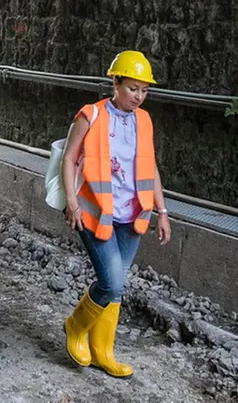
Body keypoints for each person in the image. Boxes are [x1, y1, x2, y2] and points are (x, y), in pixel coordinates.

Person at [62, 50, 171, 379]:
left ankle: (103, 352)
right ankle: (75, 327)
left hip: (133, 217)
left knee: (117, 286)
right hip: (95, 214)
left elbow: (150, 167)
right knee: (110, 282)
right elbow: (69, 159)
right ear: (115, 83)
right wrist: (72, 202)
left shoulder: (145, 120)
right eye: (132, 88)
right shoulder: (91, 115)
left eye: (144, 90)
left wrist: (163, 211)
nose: (138, 96)